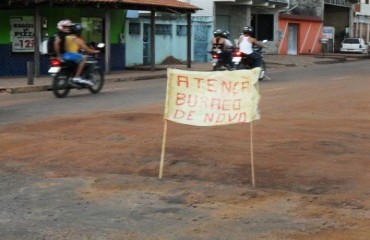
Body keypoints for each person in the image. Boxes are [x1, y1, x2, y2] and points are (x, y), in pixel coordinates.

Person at [55, 21, 99, 86]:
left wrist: (58, 55)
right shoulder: (78, 40)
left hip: (65, 55)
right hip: (73, 55)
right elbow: (87, 49)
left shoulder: (66, 37)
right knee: (84, 58)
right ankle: (77, 77)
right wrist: (95, 51)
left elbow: (57, 43)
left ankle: (75, 75)